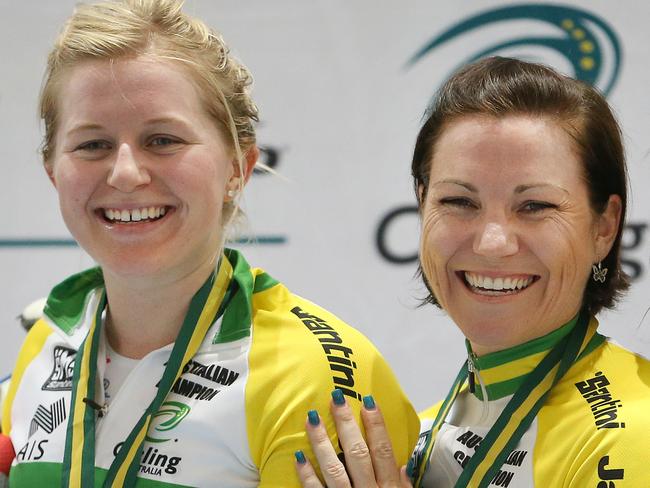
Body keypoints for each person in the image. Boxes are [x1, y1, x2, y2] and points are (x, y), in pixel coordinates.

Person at [0, 1, 420, 486]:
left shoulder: (311, 375)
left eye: (162, 140)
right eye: (91, 144)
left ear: (238, 168)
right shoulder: (50, 337)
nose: (125, 174)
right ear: (54, 172)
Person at [295, 57, 650, 487]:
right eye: (459, 202)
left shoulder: (633, 431)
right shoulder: (423, 435)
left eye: (535, 206)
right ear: (422, 205)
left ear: (604, 227)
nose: (492, 243)